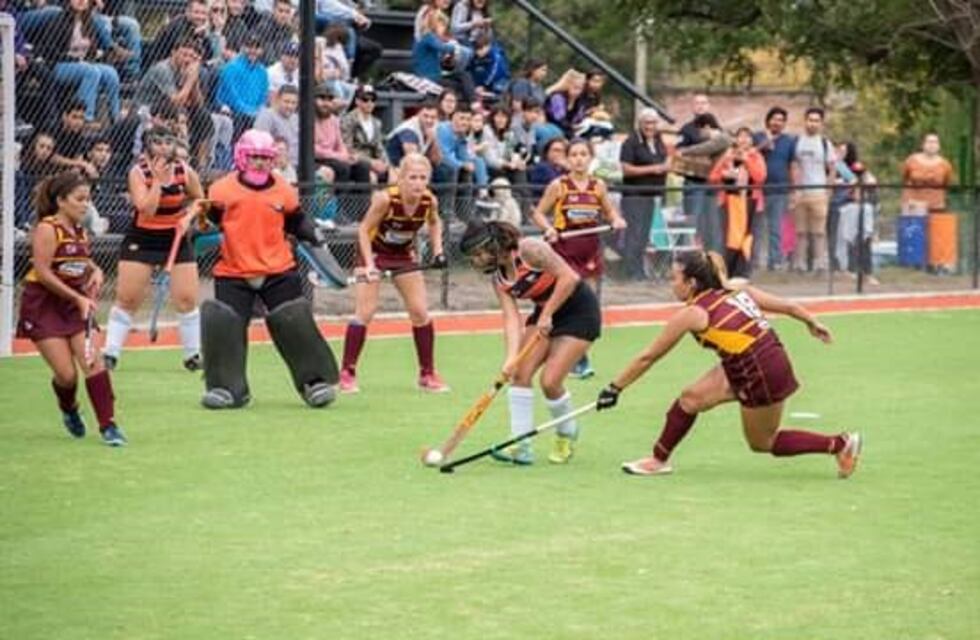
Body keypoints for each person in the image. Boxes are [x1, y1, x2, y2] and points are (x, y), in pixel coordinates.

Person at [596, 251, 862, 478]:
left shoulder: (693, 313)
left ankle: (840, 444)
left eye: (674, 278)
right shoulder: (737, 290)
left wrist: (614, 388)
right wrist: (812, 322)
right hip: (759, 359)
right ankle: (658, 460)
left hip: (758, 371)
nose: (671, 284)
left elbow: (649, 356)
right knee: (690, 398)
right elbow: (789, 307)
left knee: (762, 442)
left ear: (691, 283)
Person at [201, 129, 339, 409]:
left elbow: (296, 221)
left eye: (265, 158)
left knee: (295, 322)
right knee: (226, 325)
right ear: (242, 157)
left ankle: (314, 382)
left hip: (278, 269)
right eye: (254, 157)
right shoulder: (220, 190)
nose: (260, 163)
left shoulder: (283, 189)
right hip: (233, 271)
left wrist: (313, 234)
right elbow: (208, 224)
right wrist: (197, 228)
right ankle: (227, 388)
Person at [458, 219, 601, 465]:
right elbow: (511, 319)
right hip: (545, 313)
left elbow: (569, 278)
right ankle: (521, 445)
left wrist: (547, 314)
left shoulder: (530, 249)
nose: (475, 260)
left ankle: (566, 433)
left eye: (477, 254)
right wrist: (510, 358)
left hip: (579, 311)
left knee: (550, 382)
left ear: (493, 246)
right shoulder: (499, 280)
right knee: (520, 374)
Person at [16, 171, 127, 446]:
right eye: (79, 199)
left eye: (88, 199)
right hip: (43, 305)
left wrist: (96, 270)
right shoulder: (47, 229)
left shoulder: (80, 231)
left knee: (92, 362)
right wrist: (77, 298)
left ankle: (109, 426)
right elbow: (43, 272)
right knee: (66, 375)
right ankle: (69, 408)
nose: (85, 205)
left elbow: (81, 261)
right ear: (61, 201)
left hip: (73, 305)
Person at [339, 154, 450, 393]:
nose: (418, 183)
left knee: (420, 312)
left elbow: (434, 223)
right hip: (373, 252)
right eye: (412, 177)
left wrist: (438, 251)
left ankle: (427, 374)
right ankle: (347, 372)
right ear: (401, 178)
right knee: (365, 312)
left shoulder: (429, 200)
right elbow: (363, 230)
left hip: (402, 256)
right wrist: (370, 265)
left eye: (423, 178)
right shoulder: (385, 199)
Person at [103, 125, 205, 371]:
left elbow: (201, 199)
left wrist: (188, 216)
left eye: (168, 142)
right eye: (157, 142)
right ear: (147, 145)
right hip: (143, 238)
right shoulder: (138, 172)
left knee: (187, 298)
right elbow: (146, 209)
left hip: (176, 237)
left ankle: (192, 355)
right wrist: (158, 181)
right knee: (128, 299)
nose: (163, 147)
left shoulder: (184, 170)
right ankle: (110, 353)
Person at [531, 138, 627, 378]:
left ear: (590, 157)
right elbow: (539, 213)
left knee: (587, 304)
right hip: (564, 251)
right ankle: (566, 356)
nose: (579, 159)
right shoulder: (559, 185)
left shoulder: (598, 186)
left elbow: (610, 212)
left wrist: (616, 219)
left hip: (590, 251)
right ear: (567, 159)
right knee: (563, 302)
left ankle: (578, 357)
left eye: (584, 154)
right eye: (574, 154)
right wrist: (548, 229)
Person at [708, 127, 767, 280]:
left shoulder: (755, 156)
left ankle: (744, 273)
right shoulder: (728, 156)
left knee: (748, 239)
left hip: (751, 204)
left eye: (747, 137)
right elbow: (713, 177)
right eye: (740, 136)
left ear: (752, 140)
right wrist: (725, 173)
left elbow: (760, 177)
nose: (744, 140)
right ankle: (728, 272)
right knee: (729, 240)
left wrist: (746, 159)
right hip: (729, 204)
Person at [619, 107, 670, 280]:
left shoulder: (658, 140)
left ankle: (639, 269)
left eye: (653, 123)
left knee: (643, 234)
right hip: (634, 195)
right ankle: (631, 271)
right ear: (640, 124)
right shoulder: (630, 142)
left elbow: (665, 159)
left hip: (651, 195)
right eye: (647, 123)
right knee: (634, 233)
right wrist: (653, 169)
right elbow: (626, 169)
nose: (650, 126)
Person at [790, 107, 836, 274]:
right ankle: (800, 264)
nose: (813, 124)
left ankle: (820, 264)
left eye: (816, 121)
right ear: (805, 121)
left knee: (819, 232)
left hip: (818, 192)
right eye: (810, 120)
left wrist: (828, 190)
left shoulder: (825, 143)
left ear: (821, 123)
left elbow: (832, 168)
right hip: (800, 193)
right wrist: (794, 190)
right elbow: (793, 165)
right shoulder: (797, 141)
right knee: (800, 232)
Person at [753, 106, 797, 270]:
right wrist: (764, 144)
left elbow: (792, 165)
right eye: (774, 119)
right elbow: (748, 154)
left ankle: (774, 262)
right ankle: (754, 261)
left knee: (775, 228)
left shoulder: (789, 141)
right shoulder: (757, 137)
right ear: (768, 120)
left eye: (781, 120)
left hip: (779, 191)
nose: (777, 123)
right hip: (758, 191)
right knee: (756, 228)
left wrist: (793, 189)